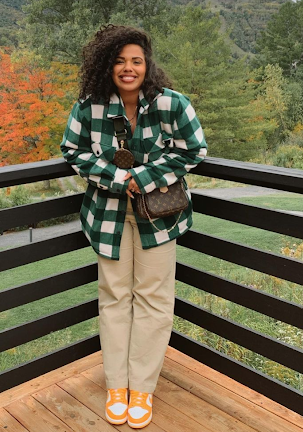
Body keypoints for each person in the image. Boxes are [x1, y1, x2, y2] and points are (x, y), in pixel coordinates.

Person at [61, 25, 207, 429]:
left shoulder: (172, 104)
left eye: (136, 61)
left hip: (159, 215)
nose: (128, 68)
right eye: (120, 61)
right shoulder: (88, 106)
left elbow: (194, 149)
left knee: (154, 299)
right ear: (108, 65)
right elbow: (71, 150)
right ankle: (116, 386)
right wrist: (115, 177)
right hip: (107, 215)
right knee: (114, 298)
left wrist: (140, 179)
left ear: (147, 65)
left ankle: (141, 388)